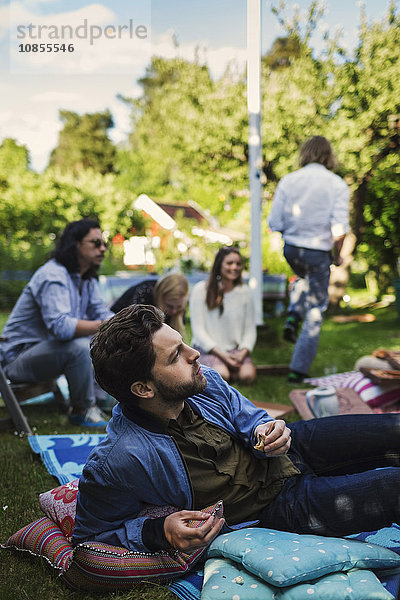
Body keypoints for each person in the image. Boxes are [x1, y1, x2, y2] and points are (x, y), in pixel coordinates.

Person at [72, 304, 400, 555]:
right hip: (280, 504)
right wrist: (160, 531)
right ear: (144, 389)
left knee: (393, 429)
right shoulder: (116, 462)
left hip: (294, 447)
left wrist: (268, 429)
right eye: (176, 356)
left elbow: (250, 417)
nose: (195, 354)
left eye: (183, 343)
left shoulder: (205, 381)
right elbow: (90, 539)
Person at [0, 218, 113, 427]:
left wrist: (125, 323)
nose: (103, 248)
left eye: (104, 243)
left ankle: (106, 396)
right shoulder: (53, 275)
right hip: (16, 360)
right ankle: (82, 410)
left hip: (46, 353)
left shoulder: (85, 278)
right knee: (79, 347)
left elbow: (101, 312)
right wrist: (106, 325)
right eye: (96, 243)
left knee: (105, 338)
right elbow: (62, 328)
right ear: (76, 244)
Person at [268, 136, 350, 383]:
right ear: (329, 155)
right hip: (318, 252)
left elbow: (275, 222)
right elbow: (339, 230)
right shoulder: (337, 184)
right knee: (316, 308)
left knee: (303, 279)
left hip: (292, 249)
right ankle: (298, 370)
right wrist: (337, 256)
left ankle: (293, 312)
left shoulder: (288, 181)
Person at [189, 246, 257, 384]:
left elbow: (250, 330)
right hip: (209, 350)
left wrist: (242, 352)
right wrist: (224, 357)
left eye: (238, 264)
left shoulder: (245, 292)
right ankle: (224, 370)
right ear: (219, 265)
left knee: (248, 376)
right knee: (221, 374)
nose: (234, 267)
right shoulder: (201, 290)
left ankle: (232, 370)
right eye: (229, 263)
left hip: (235, 350)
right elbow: (198, 331)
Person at [110, 272, 189, 338]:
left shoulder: (178, 308)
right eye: (169, 306)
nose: (174, 311)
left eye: (179, 307)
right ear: (161, 298)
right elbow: (136, 333)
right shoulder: (144, 294)